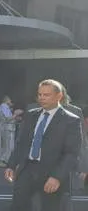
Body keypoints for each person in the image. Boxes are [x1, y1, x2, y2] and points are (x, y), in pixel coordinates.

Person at [5, 79, 83, 211]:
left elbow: (71, 153)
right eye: (40, 94)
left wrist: (57, 177)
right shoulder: (31, 115)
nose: (41, 98)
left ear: (59, 96)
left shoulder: (70, 120)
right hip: (27, 170)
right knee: (18, 205)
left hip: (52, 172)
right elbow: (21, 143)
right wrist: (11, 165)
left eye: (46, 95)